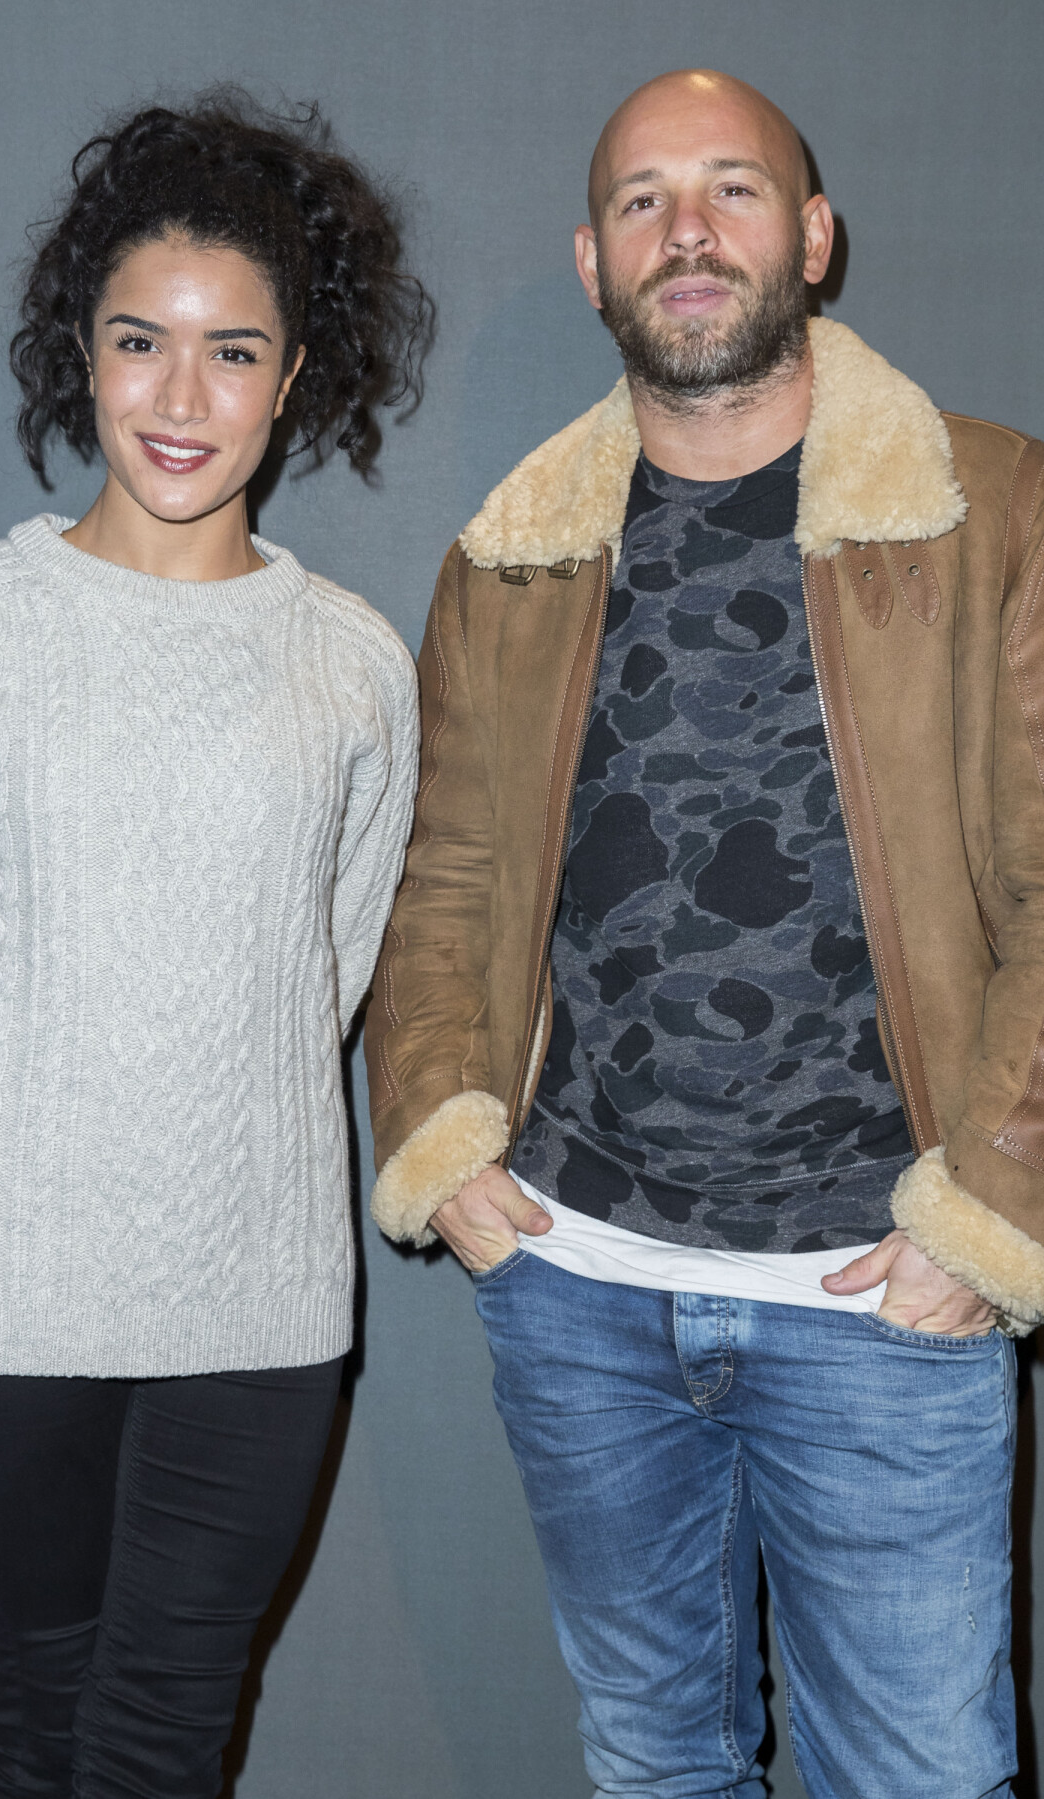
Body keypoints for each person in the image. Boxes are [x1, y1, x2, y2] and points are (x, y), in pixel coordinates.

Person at [365, 66, 1044, 1798]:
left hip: (883, 1304)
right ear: (591, 259)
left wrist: (997, 1212)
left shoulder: (991, 514)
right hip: (582, 1297)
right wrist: (442, 1137)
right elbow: (443, 871)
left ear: (812, 236)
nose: (689, 229)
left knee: (919, 1780)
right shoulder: (505, 560)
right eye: (645, 198)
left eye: (733, 190)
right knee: (656, 1765)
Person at [0, 94, 425, 1799]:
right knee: (40, 1719)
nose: (182, 399)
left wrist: (205, 1157)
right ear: (79, 354)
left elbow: (320, 977)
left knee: (167, 1733)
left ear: (295, 376)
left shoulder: (351, 664)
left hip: (257, 1299)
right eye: (140, 344)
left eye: (232, 352)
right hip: (1, 1295)